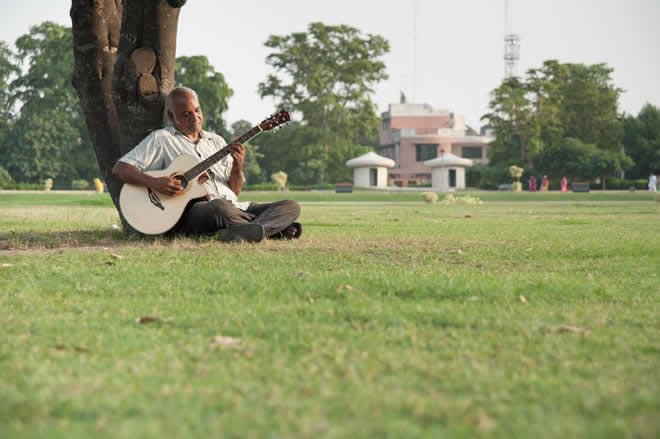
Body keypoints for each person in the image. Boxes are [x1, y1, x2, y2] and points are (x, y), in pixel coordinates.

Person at [112, 87, 301, 242]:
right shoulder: (161, 139)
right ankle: (274, 228)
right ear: (171, 116)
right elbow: (121, 168)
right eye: (186, 114)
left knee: (291, 206)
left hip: (235, 208)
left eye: (197, 111)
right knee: (218, 208)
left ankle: (247, 231)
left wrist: (238, 165)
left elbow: (235, 190)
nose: (194, 118)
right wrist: (155, 183)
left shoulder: (217, 141)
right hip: (201, 212)